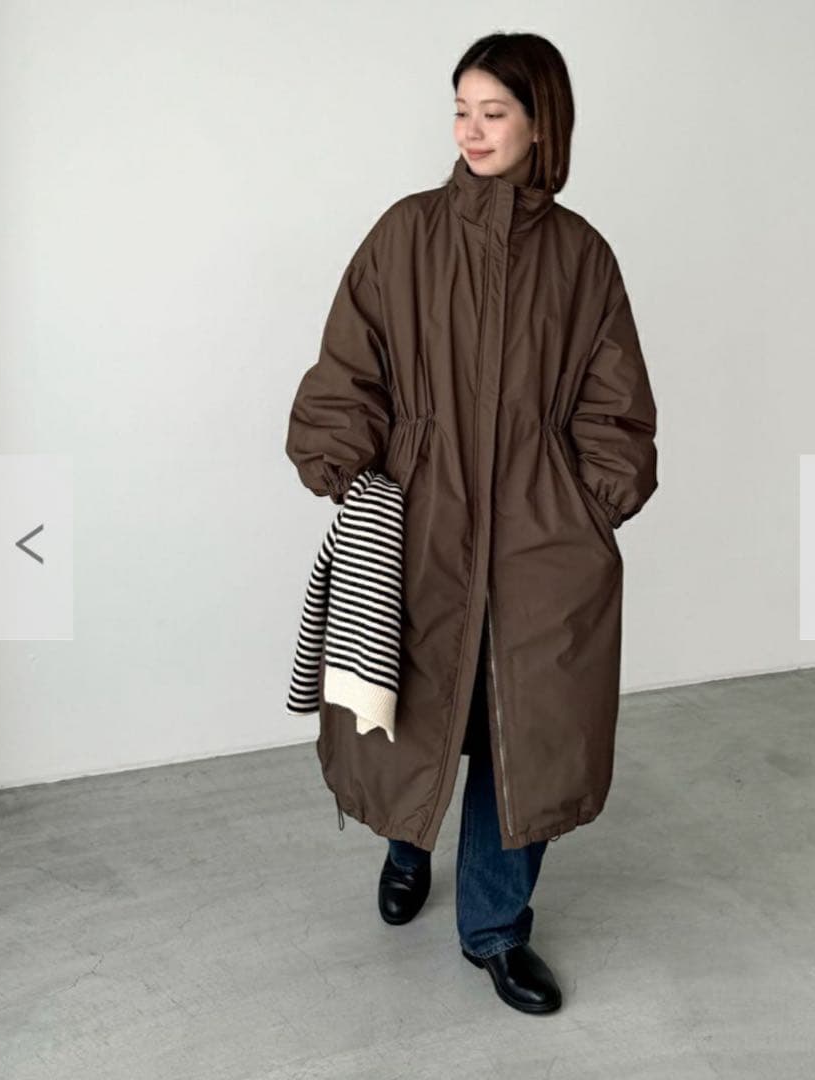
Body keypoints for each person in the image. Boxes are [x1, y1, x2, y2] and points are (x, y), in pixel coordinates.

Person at [286, 32, 659, 1015]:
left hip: (543, 538)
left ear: (542, 124)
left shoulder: (581, 257)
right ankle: (407, 845)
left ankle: (496, 928)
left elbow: (615, 407)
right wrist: (344, 460)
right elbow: (350, 368)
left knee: (520, 728)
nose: (472, 130)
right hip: (421, 521)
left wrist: (591, 502)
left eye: (494, 112)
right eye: (462, 110)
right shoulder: (405, 234)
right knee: (411, 700)